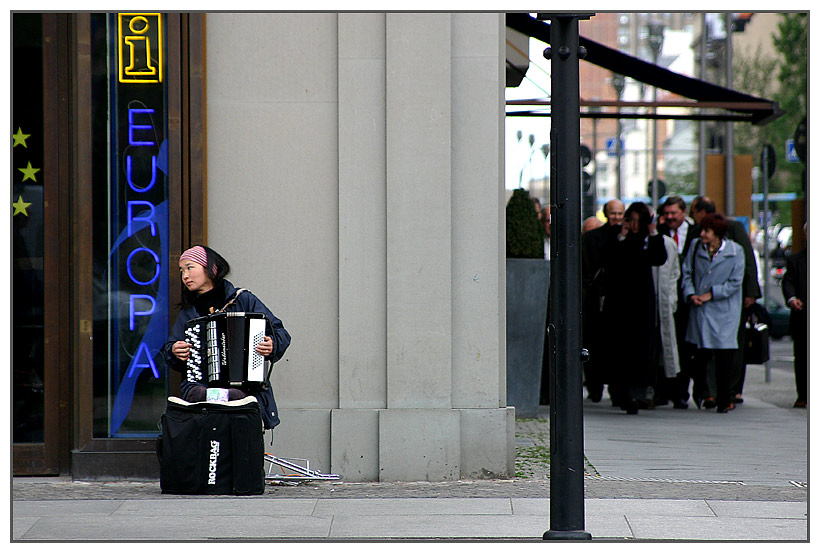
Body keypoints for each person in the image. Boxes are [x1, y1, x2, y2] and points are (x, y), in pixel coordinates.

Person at [163, 245, 291, 430]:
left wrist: (272, 345)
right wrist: (175, 351)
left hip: (244, 388)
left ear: (211, 268)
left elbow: (279, 333)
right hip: (201, 386)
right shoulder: (189, 312)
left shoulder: (243, 299)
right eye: (182, 271)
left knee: (239, 398)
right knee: (198, 395)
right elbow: (171, 350)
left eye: (190, 267)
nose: (185, 276)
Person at [690, 196, 761, 405]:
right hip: (703, 304)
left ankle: (729, 391)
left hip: (729, 302)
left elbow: (748, 262)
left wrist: (750, 293)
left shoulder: (734, 229)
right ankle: (710, 391)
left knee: (731, 347)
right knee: (705, 349)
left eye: (693, 212)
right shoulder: (697, 238)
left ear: (702, 212)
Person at [600, 202, 667, 413]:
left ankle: (638, 393)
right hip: (619, 301)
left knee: (641, 348)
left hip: (641, 301)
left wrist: (653, 231)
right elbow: (610, 259)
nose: (635, 226)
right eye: (632, 220)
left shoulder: (649, 238)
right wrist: (622, 236)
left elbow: (659, 258)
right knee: (620, 348)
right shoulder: (617, 236)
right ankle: (622, 393)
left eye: (639, 221)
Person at [681, 213, 745, 413]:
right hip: (700, 308)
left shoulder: (735, 251)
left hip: (724, 310)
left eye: (707, 231)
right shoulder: (695, 247)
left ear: (718, 234)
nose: (702, 234)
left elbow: (736, 281)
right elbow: (687, 272)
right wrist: (691, 294)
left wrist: (711, 294)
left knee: (724, 356)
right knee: (700, 354)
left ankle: (724, 400)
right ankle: (703, 392)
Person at [658, 196, 700, 409]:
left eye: (674, 213)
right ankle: (664, 390)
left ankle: (681, 392)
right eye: (667, 214)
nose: (670, 217)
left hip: (687, 301)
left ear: (683, 213)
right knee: (664, 344)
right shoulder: (659, 232)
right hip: (665, 297)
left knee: (684, 347)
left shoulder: (696, 233)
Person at [581, 199, 625, 403]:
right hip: (594, 299)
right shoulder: (591, 239)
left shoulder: (626, 237)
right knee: (593, 344)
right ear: (606, 214)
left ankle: (616, 390)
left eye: (620, 214)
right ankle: (595, 387)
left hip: (617, 301)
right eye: (613, 213)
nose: (616, 217)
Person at [781, 223, 807, 408]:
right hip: (803, 317)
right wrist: (792, 299)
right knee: (803, 358)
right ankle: (803, 395)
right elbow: (788, 282)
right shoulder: (796, 260)